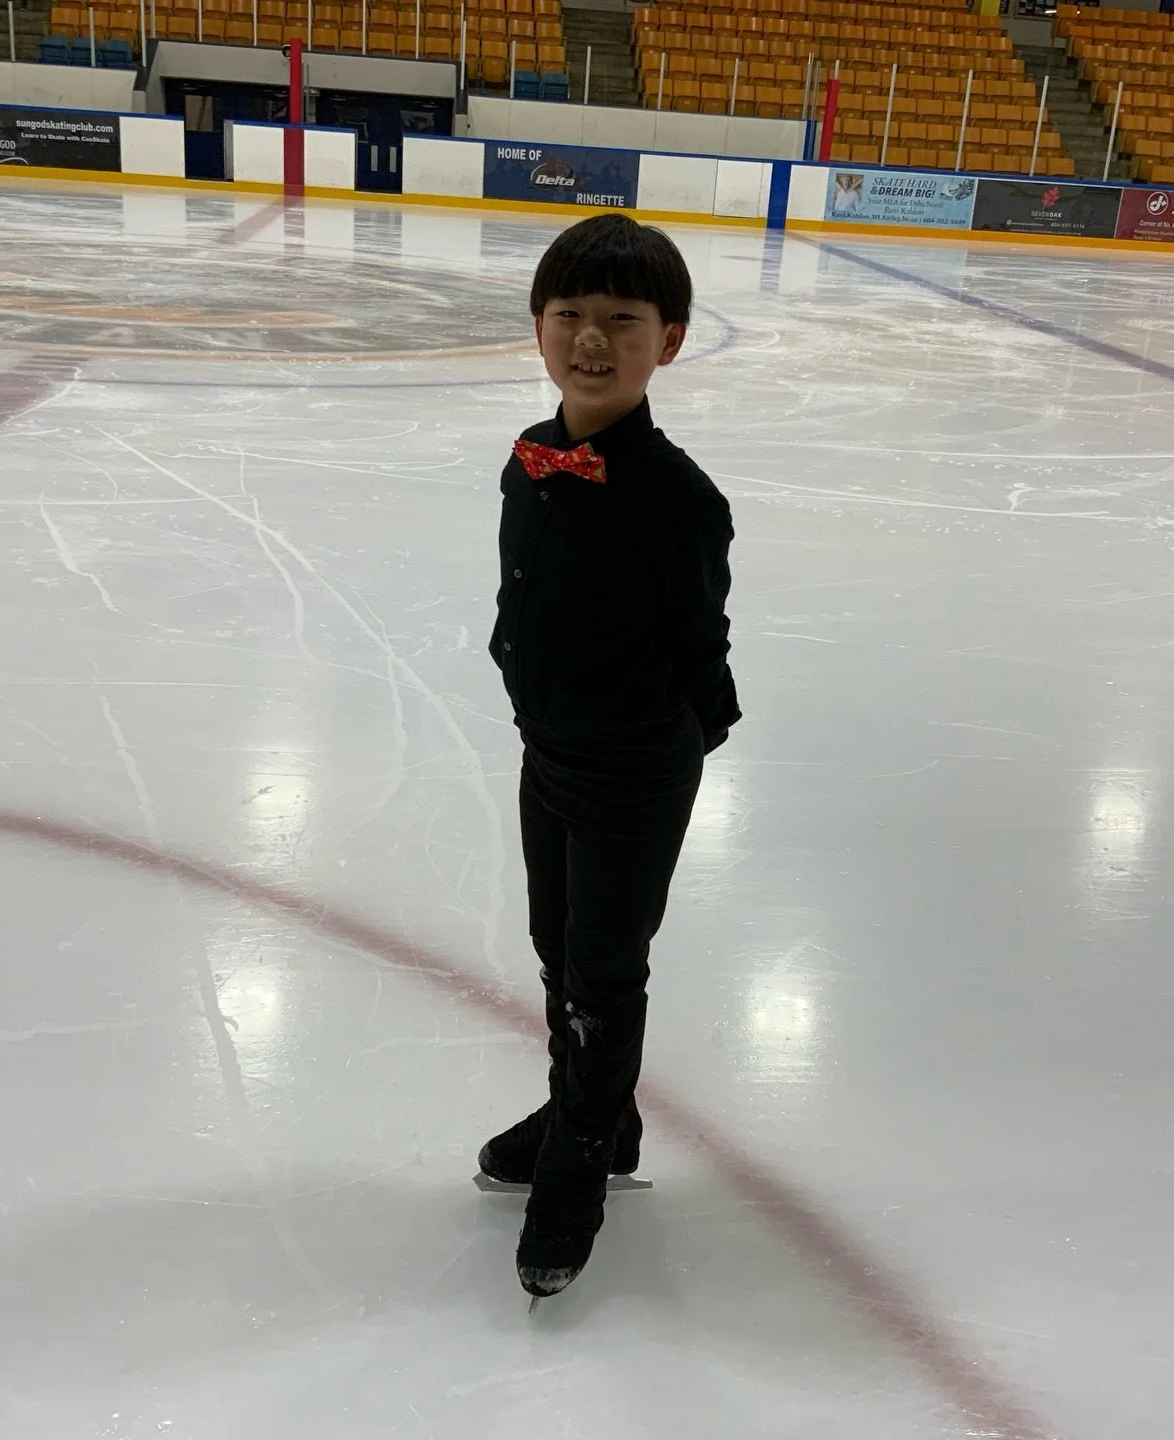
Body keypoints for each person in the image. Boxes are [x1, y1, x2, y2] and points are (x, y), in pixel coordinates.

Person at [481, 214, 741, 1300]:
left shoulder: (682, 502)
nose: (592, 339)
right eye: (571, 316)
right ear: (539, 327)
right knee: (556, 944)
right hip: (549, 751)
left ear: (668, 341)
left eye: (621, 322)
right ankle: (596, 1107)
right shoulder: (530, 461)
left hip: (634, 766)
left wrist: (656, 745)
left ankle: (583, 1162)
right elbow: (522, 593)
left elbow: (701, 652)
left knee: (605, 967)